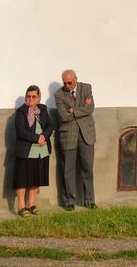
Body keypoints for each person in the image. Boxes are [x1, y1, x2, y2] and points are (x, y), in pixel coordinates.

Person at [54, 68, 96, 209]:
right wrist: (82, 108)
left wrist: (73, 110)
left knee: (87, 168)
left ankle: (89, 200)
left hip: (86, 134)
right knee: (68, 170)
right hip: (68, 135)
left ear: (76, 79)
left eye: (70, 83)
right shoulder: (59, 94)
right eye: (65, 83)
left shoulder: (86, 88)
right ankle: (69, 202)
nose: (67, 86)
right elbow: (63, 116)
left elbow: (91, 109)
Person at [12, 84, 56, 216]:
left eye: (33, 96)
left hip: (41, 151)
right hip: (27, 150)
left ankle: (31, 204)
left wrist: (44, 136)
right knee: (22, 179)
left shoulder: (42, 110)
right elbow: (20, 131)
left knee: (36, 179)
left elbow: (49, 126)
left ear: (38, 98)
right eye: (28, 96)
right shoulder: (21, 112)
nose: (30, 99)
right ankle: (21, 206)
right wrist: (37, 138)